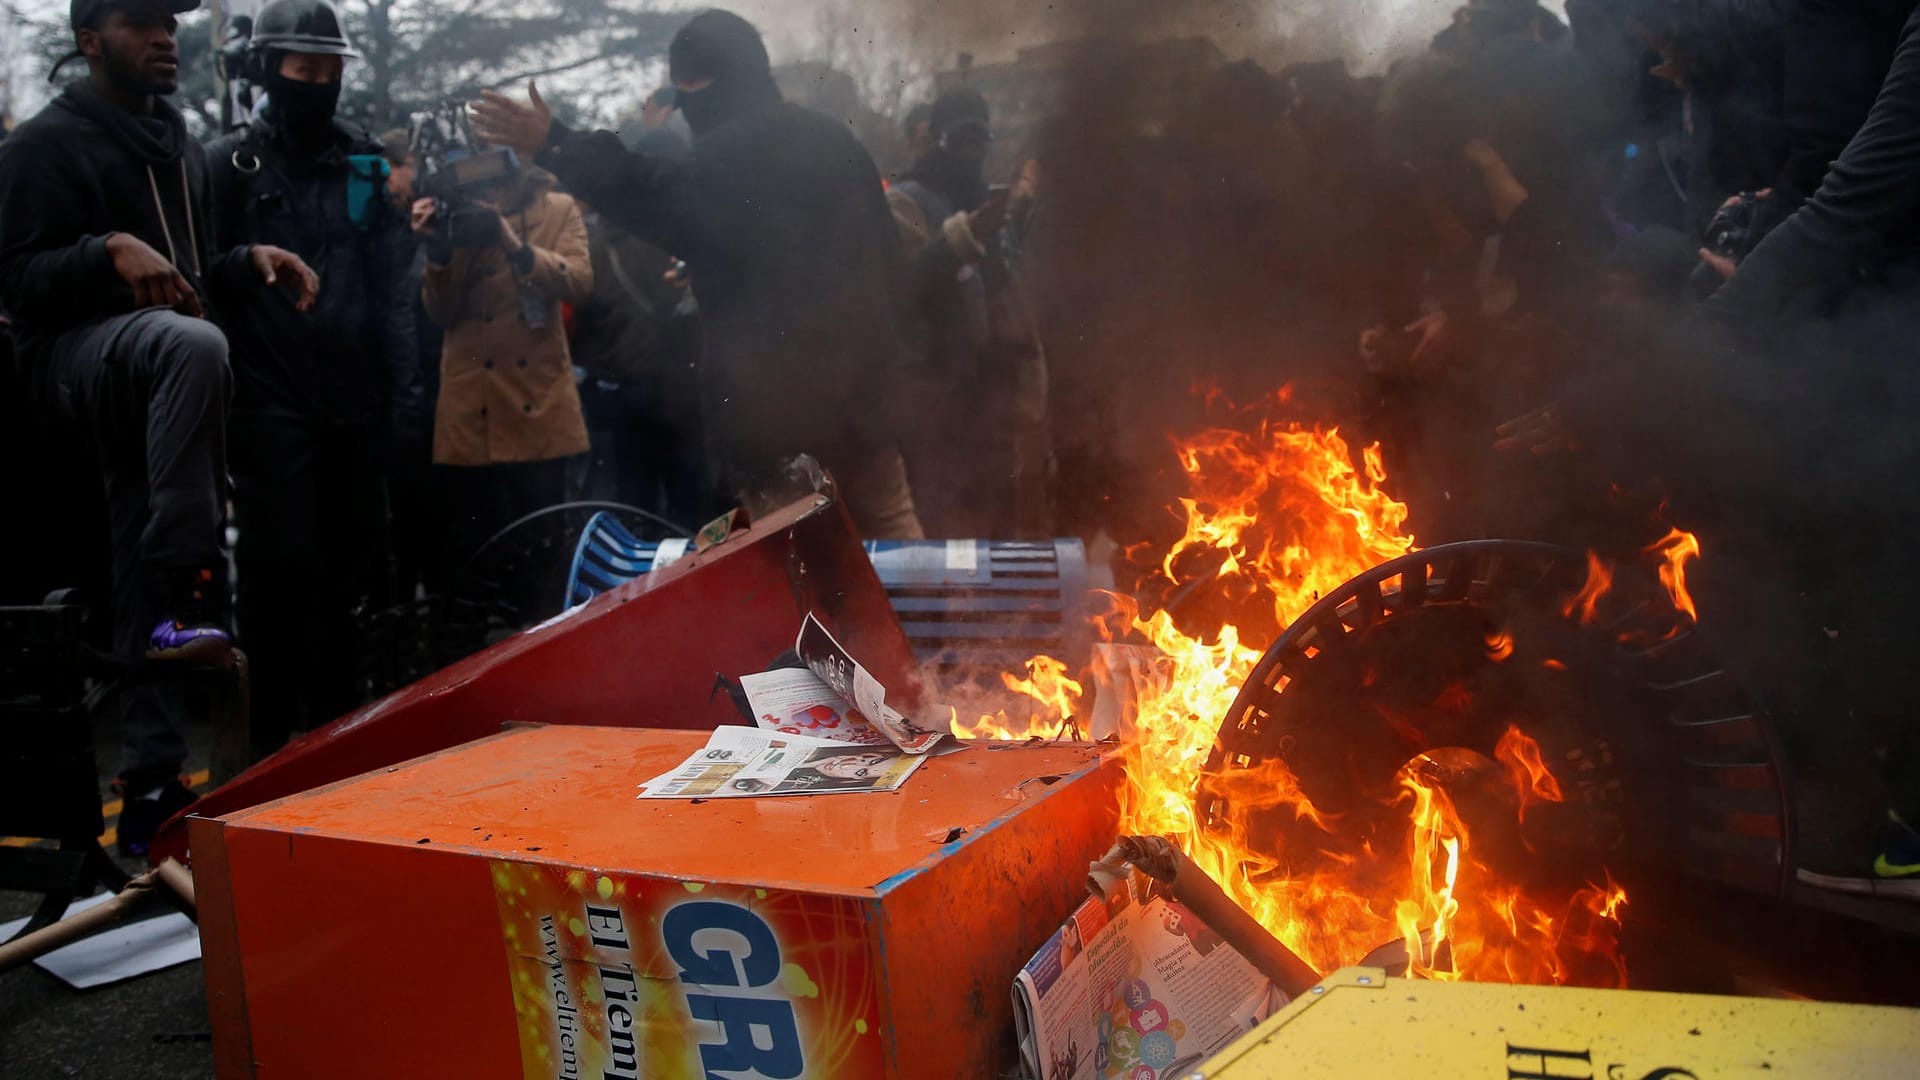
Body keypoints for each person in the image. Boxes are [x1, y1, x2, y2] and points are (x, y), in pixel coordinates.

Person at [0, 0, 316, 851]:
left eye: (170, 24)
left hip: (161, 380)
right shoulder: (39, 144)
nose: (165, 38)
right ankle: (189, 580)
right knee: (190, 345)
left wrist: (245, 262)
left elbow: (184, 276)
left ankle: (149, 786)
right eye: (140, 23)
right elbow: (15, 280)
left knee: (141, 560)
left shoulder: (179, 143)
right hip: (67, 367)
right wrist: (104, 249)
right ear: (90, 40)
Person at [472, 9, 924, 538]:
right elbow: (894, 269)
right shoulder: (839, 143)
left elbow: (647, 189)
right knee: (896, 547)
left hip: (775, 417)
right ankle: (926, 622)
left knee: (802, 567)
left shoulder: (725, 156)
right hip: (866, 404)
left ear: (697, 81)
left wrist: (557, 143)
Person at [206, 0, 418, 752]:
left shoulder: (362, 162)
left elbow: (393, 284)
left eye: (331, 70)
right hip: (269, 414)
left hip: (354, 410)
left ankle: (341, 743)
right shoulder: (228, 166)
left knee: (351, 587)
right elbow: (204, 286)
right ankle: (266, 747)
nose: (320, 83)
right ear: (270, 71)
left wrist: (403, 396)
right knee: (273, 584)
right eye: (305, 70)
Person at [412, 151, 594, 560]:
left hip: (539, 402)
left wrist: (514, 245)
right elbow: (440, 313)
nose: (490, 193)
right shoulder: (453, 216)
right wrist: (439, 253)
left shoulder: (557, 210)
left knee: (543, 544)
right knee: (479, 549)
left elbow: (580, 283)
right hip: (474, 409)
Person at [889, 88, 1053, 537]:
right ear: (937, 141)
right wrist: (961, 239)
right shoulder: (905, 202)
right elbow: (899, 289)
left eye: (979, 143)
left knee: (998, 529)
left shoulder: (992, 205)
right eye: (959, 141)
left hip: (993, 402)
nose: (970, 153)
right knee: (944, 535)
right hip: (936, 404)